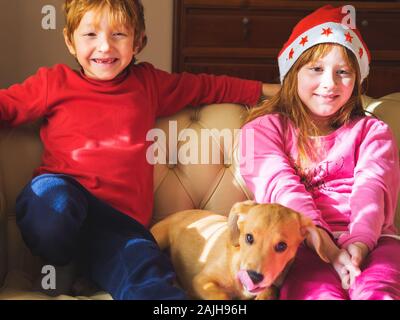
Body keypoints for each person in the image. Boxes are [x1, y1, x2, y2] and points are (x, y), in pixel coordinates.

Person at [0, 0, 279, 300]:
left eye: (118, 34)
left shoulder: (148, 84)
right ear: (70, 40)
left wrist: (267, 91)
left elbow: (208, 86)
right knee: (50, 200)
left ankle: (91, 270)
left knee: (149, 276)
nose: (105, 46)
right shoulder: (53, 82)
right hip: (64, 203)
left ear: (138, 41)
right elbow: (8, 105)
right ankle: (66, 261)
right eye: (90, 35)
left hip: (119, 227)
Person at [240, 5, 400, 300]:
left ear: (357, 79)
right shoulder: (261, 131)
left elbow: (373, 191)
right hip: (299, 243)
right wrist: (325, 245)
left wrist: (359, 246)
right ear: (293, 72)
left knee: (379, 292)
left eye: (343, 72)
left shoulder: (374, 132)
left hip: (373, 241)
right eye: (316, 68)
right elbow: (281, 188)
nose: (330, 83)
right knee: (317, 294)